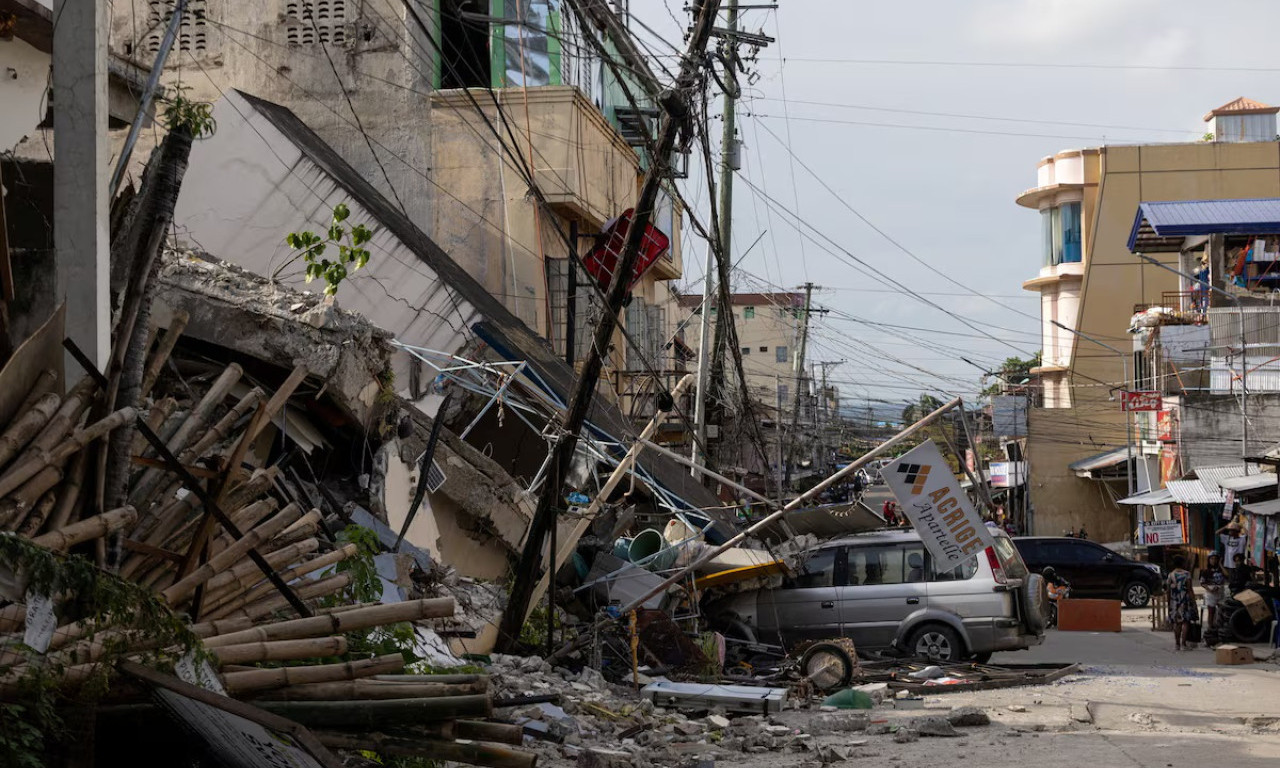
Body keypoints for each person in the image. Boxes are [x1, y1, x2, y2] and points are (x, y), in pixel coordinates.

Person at [1166, 556, 1198, 651]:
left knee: (1177, 623)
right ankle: (1184, 644)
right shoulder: (1187, 574)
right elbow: (1190, 589)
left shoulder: (1171, 575)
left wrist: (1169, 603)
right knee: (1185, 622)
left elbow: (1168, 590)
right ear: (1183, 563)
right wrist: (1194, 601)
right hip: (1185, 600)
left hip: (1174, 601)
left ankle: (1177, 644)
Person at [1199, 553, 1227, 628]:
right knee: (1211, 611)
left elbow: (1227, 575)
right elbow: (1202, 582)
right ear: (1209, 560)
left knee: (1222, 611)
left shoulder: (1220, 570)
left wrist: (1221, 565)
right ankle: (1210, 627)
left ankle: (1220, 627)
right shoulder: (1205, 571)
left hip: (1220, 592)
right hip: (1211, 594)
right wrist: (1209, 589)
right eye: (1212, 559)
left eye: (1215, 559)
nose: (1213, 561)